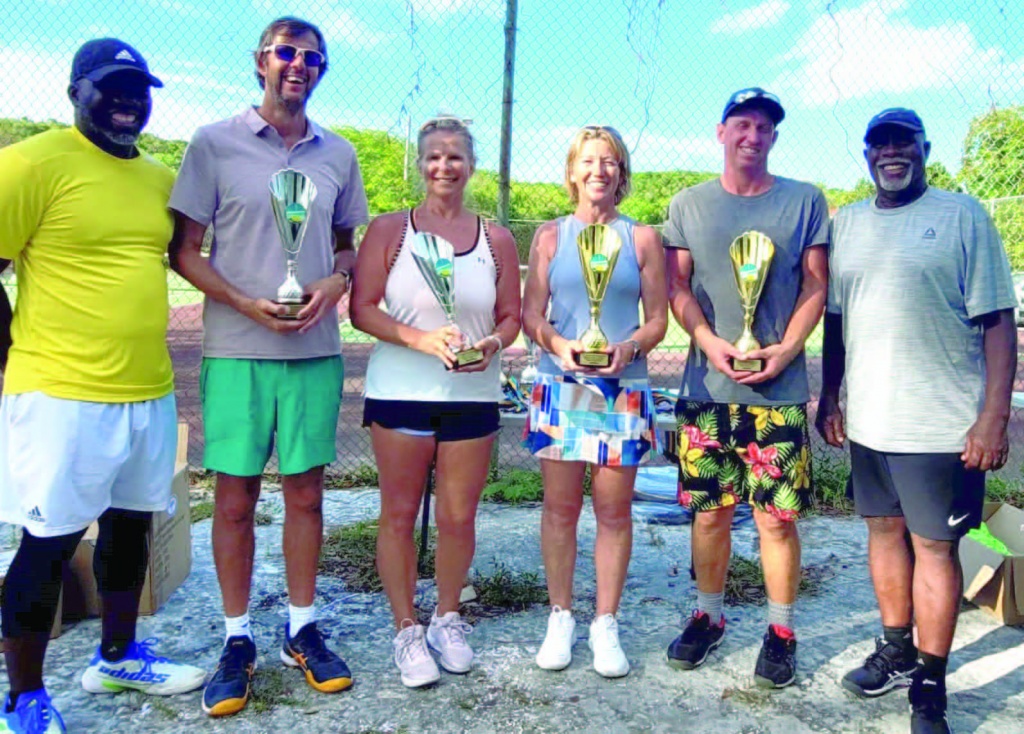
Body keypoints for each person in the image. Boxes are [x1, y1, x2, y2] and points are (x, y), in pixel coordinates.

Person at [0, 38, 205, 733]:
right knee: (48, 542)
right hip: (59, 393)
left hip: (147, 390)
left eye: (139, 90)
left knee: (128, 528)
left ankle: (116, 657)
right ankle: (23, 699)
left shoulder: (158, 178)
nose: (127, 101)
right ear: (75, 92)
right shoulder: (29, 164)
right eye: (111, 88)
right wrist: (12, 363)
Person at [168, 16, 369, 717]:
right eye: (287, 52)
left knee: (308, 496)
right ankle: (236, 639)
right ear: (261, 60)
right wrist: (243, 303)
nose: (299, 65)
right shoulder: (213, 143)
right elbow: (185, 249)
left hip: (313, 352)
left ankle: (302, 628)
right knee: (234, 500)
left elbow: (347, 247)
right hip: (237, 348)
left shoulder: (337, 153)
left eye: (313, 57)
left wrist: (335, 283)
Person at [817, 108, 1017, 734]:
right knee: (882, 533)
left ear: (924, 147)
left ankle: (931, 683)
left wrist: (993, 417)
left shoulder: (963, 216)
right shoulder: (846, 223)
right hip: (871, 422)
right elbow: (838, 323)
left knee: (935, 547)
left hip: (942, 426)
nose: (891, 153)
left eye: (903, 142)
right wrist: (830, 397)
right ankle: (897, 650)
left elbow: (998, 323)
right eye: (880, 144)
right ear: (868, 154)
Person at [663, 88, 829, 688]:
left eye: (764, 127)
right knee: (709, 515)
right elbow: (676, 288)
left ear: (774, 137)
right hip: (707, 390)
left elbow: (816, 285)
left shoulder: (805, 201)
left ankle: (781, 631)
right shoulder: (689, 204)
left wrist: (786, 350)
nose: (752, 136)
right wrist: (708, 341)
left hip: (777, 393)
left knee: (776, 520)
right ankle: (708, 617)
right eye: (742, 124)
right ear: (721, 131)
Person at [349, 116, 521, 688]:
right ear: (420, 166)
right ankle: (405, 628)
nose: (444, 167)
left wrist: (493, 343)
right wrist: (421, 340)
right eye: (434, 158)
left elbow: (511, 316)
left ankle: (447, 618)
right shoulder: (390, 231)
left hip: (471, 394)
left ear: (471, 166)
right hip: (401, 391)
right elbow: (363, 309)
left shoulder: (494, 238)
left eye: (455, 157)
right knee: (399, 515)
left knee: (456, 516)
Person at [521, 125, 667, 678]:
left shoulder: (643, 239)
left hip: (621, 388)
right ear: (572, 171)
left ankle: (605, 622)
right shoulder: (550, 237)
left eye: (608, 162)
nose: (598, 171)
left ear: (621, 172)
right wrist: (559, 346)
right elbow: (532, 311)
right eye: (588, 161)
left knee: (613, 511)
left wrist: (627, 347)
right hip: (561, 385)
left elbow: (659, 319)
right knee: (560, 509)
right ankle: (560, 616)